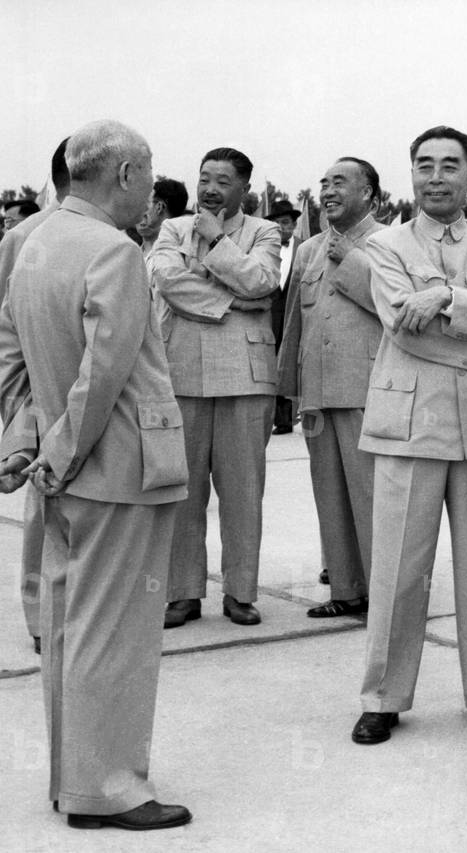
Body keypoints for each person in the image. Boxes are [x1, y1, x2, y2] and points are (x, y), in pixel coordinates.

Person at [0, 119, 191, 830]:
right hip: (114, 471)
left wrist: (26, 444)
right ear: (124, 176)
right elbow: (104, 373)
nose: (148, 191)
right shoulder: (112, 251)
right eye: (147, 175)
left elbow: (11, 356)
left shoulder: (32, 241)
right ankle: (107, 787)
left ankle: (72, 777)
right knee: (114, 634)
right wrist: (60, 453)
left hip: (68, 469)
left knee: (72, 627)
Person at [351, 126, 467, 745]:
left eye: (450, 166)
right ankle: (383, 696)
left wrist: (448, 298)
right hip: (411, 425)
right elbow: (403, 325)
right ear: (412, 176)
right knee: (400, 571)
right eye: (424, 165)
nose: (436, 176)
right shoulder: (386, 245)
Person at [150, 147, 281, 628]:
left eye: (222, 181)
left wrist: (217, 242)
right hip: (179, 371)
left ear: (244, 188)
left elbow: (264, 279)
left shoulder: (263, 231)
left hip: (245, 378)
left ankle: (240, 592)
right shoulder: (172, 229)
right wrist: (235, 303)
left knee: (243, 491)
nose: (209, 189)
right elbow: (166, 279)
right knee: (182, 493)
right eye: (204, 178)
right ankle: (182, 593)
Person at [277, 158, 384, 617]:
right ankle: (345, 589)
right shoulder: (307, 249)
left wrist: (352, 261)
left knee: (372, 498)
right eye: (324, 183)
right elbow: (294, 322)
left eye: (340, 182)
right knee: (330, 496)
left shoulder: (387, 243)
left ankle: (385, 594)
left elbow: (392, 307)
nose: (328, 190)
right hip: (318, 389)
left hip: (368, 390)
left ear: (369, 195)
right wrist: (288, 387)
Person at [0, 137, 71, 655]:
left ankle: (77, 616)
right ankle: (41, 619)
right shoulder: (24, 237)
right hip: (42, 398)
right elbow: (7, 336)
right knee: (43, 516)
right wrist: (18, 418)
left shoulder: (113, 233)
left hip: (97, 397)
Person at [267, 199, 301, 435]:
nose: (282, 228)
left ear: (294, 225)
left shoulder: (304, 248)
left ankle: (286, 419)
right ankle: (269, 416)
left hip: (293, 316)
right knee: (269, 365)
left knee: (288, 363)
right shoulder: (264, 247)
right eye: (277, 223)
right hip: (268, 316)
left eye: (286, 223)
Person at [136, 178, 188, 260]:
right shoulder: (130, 255)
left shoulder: (176, 259)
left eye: (145, 202)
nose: (138, 209)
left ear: (159, 207)